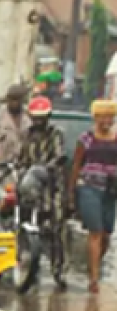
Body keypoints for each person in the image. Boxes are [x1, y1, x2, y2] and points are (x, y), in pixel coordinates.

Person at [14, 95, 69, 289]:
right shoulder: (27, 135)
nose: (38, 122)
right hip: (30, 189)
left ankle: (58, 271)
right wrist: (19, 169)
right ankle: (25, 265)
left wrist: (46, 167)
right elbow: (20, 159)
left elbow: (60, 156)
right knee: (22, 224)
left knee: (57, 230)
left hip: (52, 189)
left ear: (48, 116)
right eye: (35, 117)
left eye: (42, 117)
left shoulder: (56, 134)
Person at [68, 99, 117, 293]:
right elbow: (77, 165)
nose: (107, 120)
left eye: (111, 117)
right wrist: (71, 193)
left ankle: (93, 263)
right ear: (95, 118)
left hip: (111, 190)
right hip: (89, 188)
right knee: (95, 232)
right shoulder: (86, 138)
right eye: (103, 116)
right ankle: (94, 279)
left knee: (106, 235)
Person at [0, 84, 31, 178]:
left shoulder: (28, 117)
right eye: (12, 99)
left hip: (20, 169)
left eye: (17, 99)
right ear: (7, 99)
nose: (14, 103)